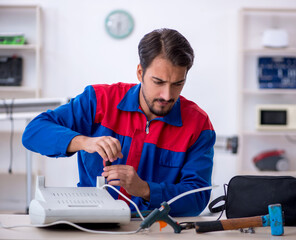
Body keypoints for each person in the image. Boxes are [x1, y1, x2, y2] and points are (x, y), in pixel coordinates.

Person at [22, 28, 216, 217]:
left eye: (177, 84)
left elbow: (197, 198)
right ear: (140, 73)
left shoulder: (198, 124)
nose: (167, 95)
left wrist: (146, 189)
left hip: (157, 228)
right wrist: (85, 142)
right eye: (158, 82)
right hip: (91, 222)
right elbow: (33, 132)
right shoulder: (99, 101)